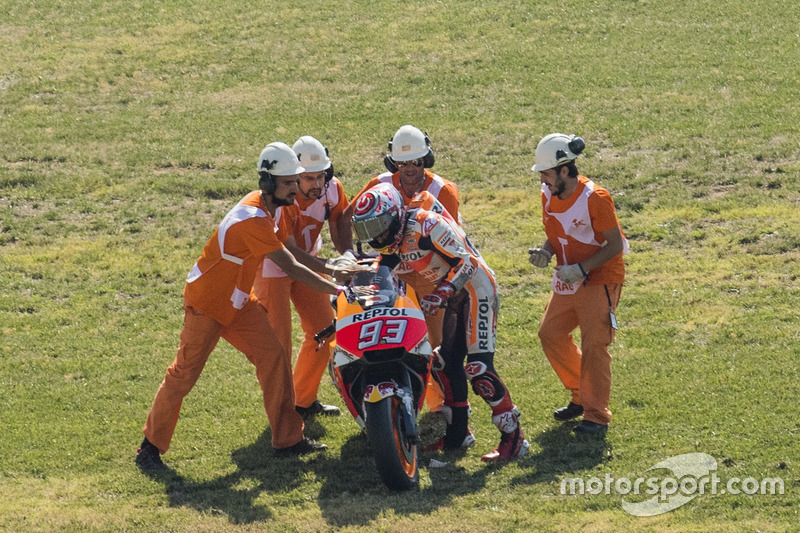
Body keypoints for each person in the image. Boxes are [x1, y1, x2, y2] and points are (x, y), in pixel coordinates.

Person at [135, 142, 362, 470]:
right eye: (288, 183)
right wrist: (338, 288)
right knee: (183, 376)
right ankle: (149, 447)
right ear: (269, 184)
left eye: (296, 181)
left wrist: (333, 268)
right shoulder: (252, 219)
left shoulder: (277, 209)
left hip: (238, 303)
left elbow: (294, 252)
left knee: (274, 357)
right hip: (207, 306)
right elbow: (291, 267)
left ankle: (288, 439)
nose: (297, 188)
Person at [351, 183, 530, 462]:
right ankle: (458, 434)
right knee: (444, 362)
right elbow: (380, 277)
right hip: (453, 295)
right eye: (366, 230)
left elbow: (467, 263)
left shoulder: (426, 225)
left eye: (379, 226)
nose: (375, 236)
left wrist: (442, 292)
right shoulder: (392, 244)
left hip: (476, 289)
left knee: (478, 368)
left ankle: (514, 438)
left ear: (396, 215)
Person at [343, 125, 460, 412]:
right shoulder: (379, 183)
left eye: (416, 162)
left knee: (436, 347)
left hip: (430, 276)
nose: (409, 169)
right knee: (389, 340)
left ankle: (445, 406)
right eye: (403, 162)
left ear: (427, 160)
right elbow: (348, 218)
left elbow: (452, 242)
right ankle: (413, 403)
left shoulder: (442, 190)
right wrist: (350, 254)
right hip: (389, 277)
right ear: (393, 162)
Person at [527, 133, 628, 434]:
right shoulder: (548, 193)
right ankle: (580, 394)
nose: (542, 179)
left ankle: (596, 415)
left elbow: (615, 246)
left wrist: (582, 268)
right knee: (550, 334)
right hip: (569, 279)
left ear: (564, 170)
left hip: (599, 279)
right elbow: (558, 231)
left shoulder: (595, 198)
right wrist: (546, 251)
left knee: (595, 345)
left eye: (546, 173)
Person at [252, 135, 355, 420]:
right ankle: (282, 414)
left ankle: (302, 401)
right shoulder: (282, 200)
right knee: (278, 344)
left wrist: (346, 254)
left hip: (308, 261)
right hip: (275, 267)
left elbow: (340, 222)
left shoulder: (332, 189)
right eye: (308, 178)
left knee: (325, 329)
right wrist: (332, 267)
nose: (317, 184)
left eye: (321, 176)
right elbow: (291, 255)